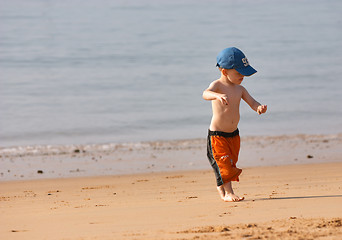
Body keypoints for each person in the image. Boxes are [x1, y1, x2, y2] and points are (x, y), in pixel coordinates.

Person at [203, 47, 267, 202]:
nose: (242, 77)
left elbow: (252, 102)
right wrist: (217, 96)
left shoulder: (240, 89)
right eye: (239, 73)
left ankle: (222, 187)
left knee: (230, 164)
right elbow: (205, 94)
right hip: (217, 135)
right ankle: (228, 193)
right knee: (223, 163)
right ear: (224, 71)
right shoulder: (217, 85)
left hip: (233, 135)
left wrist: (258, 107)